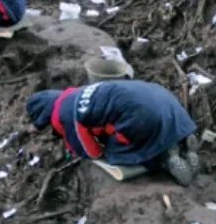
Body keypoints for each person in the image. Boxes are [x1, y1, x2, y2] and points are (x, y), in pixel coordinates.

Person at [26, 80, 201, 186]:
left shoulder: (66, 114)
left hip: (141, 115)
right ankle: (180, 141)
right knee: (141, 122)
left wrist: (80, 145)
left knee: (115, 151)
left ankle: (163, 158)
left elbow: (91, 152)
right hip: (165, 98)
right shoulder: (81, 92)